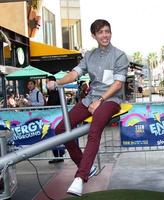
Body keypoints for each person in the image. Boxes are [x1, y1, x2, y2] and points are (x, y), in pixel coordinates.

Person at [47, 19, 129, 196]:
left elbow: (117, 85)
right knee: (62, 129)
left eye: (107, 31)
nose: (105, 35)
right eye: (100, 32)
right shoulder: (89, 56)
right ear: (94, 35)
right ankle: (86, 166)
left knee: (95, 128)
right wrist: (57, 83)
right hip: (90, 99)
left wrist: (100, 100)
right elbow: (74, 73)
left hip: (110, 100)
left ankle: (80, 178)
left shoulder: (120, 55)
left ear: (111, 33)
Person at [46, 76, 66, 164]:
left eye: (47, 82)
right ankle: (59, 153)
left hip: (55, 117)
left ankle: (59, 154)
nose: (46, 84)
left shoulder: (55, 91)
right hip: (55, 116)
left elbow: (53, 103)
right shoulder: (54, 91)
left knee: (54, 135)